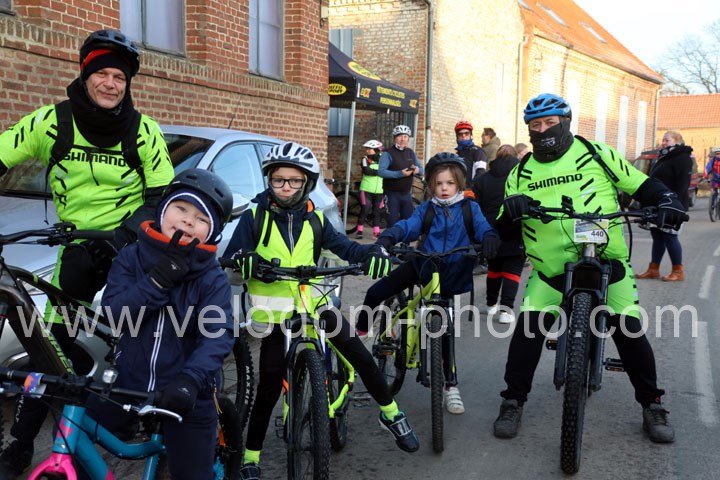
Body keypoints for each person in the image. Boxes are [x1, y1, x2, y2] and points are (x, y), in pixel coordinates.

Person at [0, 29, 174, 476]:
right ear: (85, 74)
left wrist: (124, 236)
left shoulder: (144, 131)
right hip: (76, 249)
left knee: (142, 337)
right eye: (102, 74)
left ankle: (146, 417)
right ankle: (22, 442)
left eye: (120, 77)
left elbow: (162, 198)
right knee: (49, 350)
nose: (110, 84)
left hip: (129, 248)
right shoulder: (50, 123)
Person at [492, 93, 686, 444]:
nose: (542, 130)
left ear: (565, 122)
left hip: (608, 262)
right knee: (528, 329)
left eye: (550, 123)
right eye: (535, 125)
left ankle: (652, 404)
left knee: (629, 329)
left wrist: (667, 200)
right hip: (549, 269)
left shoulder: (597, 153)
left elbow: (642, 185)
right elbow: (504, 226)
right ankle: (512, 401)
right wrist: (510, 213)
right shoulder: (520, 171)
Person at [223, 142, 419, 479]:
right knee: (268, 387)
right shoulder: (254, 218)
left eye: (294, 181)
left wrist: (372, 253)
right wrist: (244, 260)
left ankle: (391, 412)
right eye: (279, 180)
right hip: (274, 318)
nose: (286, 187)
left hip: (315, 306)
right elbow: (232, 264)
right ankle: (251, 458)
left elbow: (346, 249)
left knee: (359, 355)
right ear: (269, 181)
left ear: (307, 183)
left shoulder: (315, 220)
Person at [91, 169, 235, 479]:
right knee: (74, 431)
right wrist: (157, 281)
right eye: (180, 208)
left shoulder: (212, 278)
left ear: (212, 232)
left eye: (201, 219)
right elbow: (115, 314)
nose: (187, 221)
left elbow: (217, 335)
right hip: (128, 383)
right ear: (162, 210)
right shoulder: (131, 257)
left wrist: (190, 380)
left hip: (187, 392)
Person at [357, 152, 501, 415]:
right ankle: (359, 336)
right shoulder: (427, 209)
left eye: (450, 183)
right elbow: (408, 226)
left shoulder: (470, 209)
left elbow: (483, 228)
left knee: (445, 332)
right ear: (431, 185)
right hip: (422, 264)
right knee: (375, 292)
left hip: (451, 272)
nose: (444, 188)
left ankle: (451, 386)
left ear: (459, 184)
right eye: (438, 183)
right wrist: (387, 238)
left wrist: (490, 237)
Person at [472, 145, 525, 324]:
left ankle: (491, 304)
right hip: (515, 228)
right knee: (512, 271)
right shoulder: (521, 177)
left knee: (494, 269)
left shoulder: (483, 179)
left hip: (490, 229)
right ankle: (506, 311)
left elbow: (476, 206)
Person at [635, 130, 693, 282]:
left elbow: (682, 186)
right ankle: (653, 269)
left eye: (667, 140)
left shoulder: (683, 158)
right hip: (657, 203)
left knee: (670, 236)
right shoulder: (663, 157)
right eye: (663, 140)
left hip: (672, 205)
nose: (664, 143)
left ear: (677, 141)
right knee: (657, 236)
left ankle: (678, 271)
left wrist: (675, 206)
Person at [378, 124, 424, 227]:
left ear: (408, 138)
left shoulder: (411, 153)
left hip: (406, 194)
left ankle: (405, 238)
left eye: (405, 136)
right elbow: (381, 172)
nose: (403, 139)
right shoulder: (387, 153)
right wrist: (400, 173)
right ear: (395, 138)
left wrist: (417, 170)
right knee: (392, 223)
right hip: (391, 194)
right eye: (400, 136)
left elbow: (421, 169)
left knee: (408, 222)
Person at [356, 139, 385, 239]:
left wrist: (377, 171)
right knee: (365, 209)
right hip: (366, 189)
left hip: (380, 190)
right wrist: (379, 171)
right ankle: (359, 230)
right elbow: (367, 171)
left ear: (376, 150)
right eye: (367, 148)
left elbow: (386, 170)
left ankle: (376, 232)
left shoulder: (383, 160)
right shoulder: (365, 159)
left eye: (370, 149)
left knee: (377, 211)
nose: (367, 150)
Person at [454, 119, 488, 184]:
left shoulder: (478, 152)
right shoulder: (457, 154)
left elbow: (481, 172)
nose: (463, 136)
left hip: (472, 188)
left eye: (466, 133)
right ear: (457, 136)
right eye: (460, 134)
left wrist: (472, 187)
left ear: (470, 135)